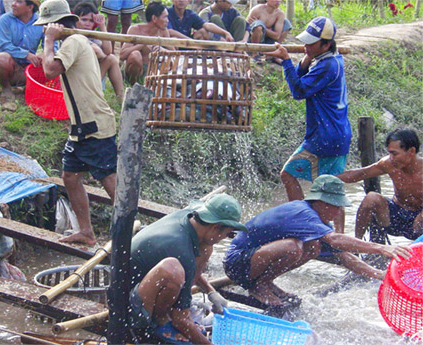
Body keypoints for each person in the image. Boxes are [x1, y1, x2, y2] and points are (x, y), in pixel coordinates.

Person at [224, 175, 413, 309]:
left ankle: (266, 282)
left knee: (312, 247)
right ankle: (258, 285)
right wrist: (381, 248)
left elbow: (344, 256)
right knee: (292, 247)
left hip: (249, 263)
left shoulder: (315, 223)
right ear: (322, 202)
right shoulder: (303, 213)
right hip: (237, 263)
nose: (337, 212)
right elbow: (336, 239)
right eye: (335, 207)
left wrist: (381, 275)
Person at [36, 0, 118, 246]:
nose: (44, 31)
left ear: (56, 25)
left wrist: (49, 41)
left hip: (94, 123)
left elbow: (50, 70)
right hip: (81, 126)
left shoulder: (72, 42)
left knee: (110, 181)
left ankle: (133, 231)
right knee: (70, 176)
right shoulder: (73, 42)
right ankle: (86, 232)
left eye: (46, 27)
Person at [268, 17, 351, 233]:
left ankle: (337, 237)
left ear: (325, 45)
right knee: (291, 174)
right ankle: (309, 222)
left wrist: (286, 61)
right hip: (324, 135)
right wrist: (304, 59)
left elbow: (298, 91)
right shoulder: (328, 59)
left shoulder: (328, 65)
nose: (306, 46)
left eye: (311, 43)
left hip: (329, 137)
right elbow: (301, 78)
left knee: (331, 190)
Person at [129, 194, 248, 345]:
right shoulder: (180, 250)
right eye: (227, 234)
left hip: (143, 286)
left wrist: (211, 292)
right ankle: (160, 322)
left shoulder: (190, 219)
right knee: (172, 269)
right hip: (128, 305)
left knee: (206, 247)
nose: (224, 238)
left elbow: (190, 267)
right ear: (216, 227)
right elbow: (181, 320)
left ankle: (176, 308)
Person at [338, 128, 423, 242]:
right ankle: (356, 245)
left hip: (420, 221)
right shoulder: (388, 164)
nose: (391, 158)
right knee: (371, 198)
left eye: (394, 154)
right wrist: (329, 179)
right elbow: (360, 174)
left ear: (411, 151)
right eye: (389, 153)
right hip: (396, 216)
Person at [0, 0, 44, 102]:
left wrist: (43, 55)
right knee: (1, 58)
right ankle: (6, 88)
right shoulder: (4, 20)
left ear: (30, 7)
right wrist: (26, 54)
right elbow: (4, 45)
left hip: (28, 67)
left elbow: (52, 46)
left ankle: (31, 88)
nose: (13, 4)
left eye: (18, 2)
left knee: (49, 59)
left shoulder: (42, 22)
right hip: (8, 66)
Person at [73, 2, 124, 98]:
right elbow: (98, 52)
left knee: (111, 58)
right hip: (78, 79)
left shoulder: (93, 36)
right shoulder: (73, 35)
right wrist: (102, 56)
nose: (88, 23)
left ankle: (120, 97)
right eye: (84, 20)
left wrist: (102, 26)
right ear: (76, 20)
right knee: (109, 58)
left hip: (92, 77)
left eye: (91, 21)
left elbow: (108, 51)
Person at [120, 1, 174, 85]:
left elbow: (174, 54)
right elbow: (122, 55)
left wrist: (163, 50)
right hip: (134, 73)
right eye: (165, 17)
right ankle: (133, 85)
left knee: (168, 60)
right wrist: (142, 44)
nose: (167, 21)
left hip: (153, 72)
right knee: (135, 55)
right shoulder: (135, 29)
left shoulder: (163, 32)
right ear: (154, 18)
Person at [167, 0, 234, 41]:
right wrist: (189, 40)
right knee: (174, 38)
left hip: (188, 44)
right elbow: (170, 31)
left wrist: (226, 33)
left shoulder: (190, 14)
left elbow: (207, 25)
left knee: (203, 31)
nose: (181, 0)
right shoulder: (167, 13)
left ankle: (199, 55)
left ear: (189, 0)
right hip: (174, 45)